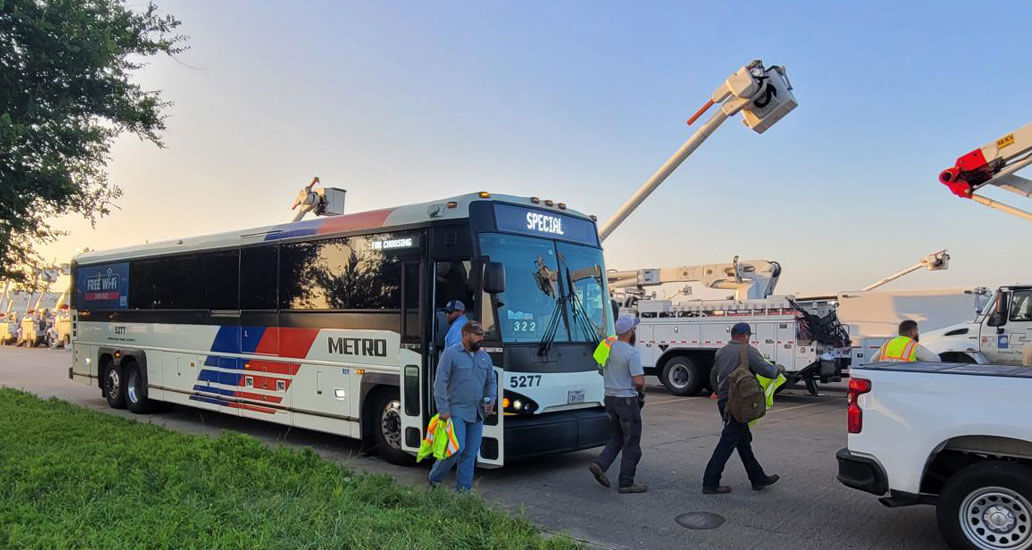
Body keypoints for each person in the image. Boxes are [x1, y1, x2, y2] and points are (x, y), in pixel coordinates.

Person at [702, 322, 781, 495]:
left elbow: (716, 375)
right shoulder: (747, 350)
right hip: (739, 403)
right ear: (745, 335)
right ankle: (710, 482)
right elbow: (768, 371)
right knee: (727, 442)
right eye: (749, 336)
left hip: (724, 401)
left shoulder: (721, 351)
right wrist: (778, 370)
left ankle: (758, 478)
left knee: (743, 441)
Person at [429, 321, 497, 492]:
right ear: (465, 334)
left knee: (471, 453)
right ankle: (435, 478)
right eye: (477, 334)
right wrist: (443, 409)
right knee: (456, 449)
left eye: (482, 334)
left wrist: (491, 398)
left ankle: (463, 492)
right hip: (455, 411)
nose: (481, 338)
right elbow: (440, 382)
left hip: (477, 412)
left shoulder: (485, 357)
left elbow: (491, 382)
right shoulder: (450, 354)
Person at [588, 315, 648, 494]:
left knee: (617, 436)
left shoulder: (607, 348)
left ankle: (600, 464)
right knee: (632, 442)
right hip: (626, 401)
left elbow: (600, 369)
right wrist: (641, 391)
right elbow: (638, 380)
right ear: (630, 332)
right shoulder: (632, 353)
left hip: (610, 399)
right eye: (633, 329)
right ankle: (626, 483)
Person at [868, 320, 938, 363]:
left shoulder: (887, 344)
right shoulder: (913, 345)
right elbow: (935, 360)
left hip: (887, 380)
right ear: (912, 332)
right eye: (917, 331)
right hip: (906, 381)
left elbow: (872, 361)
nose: (917, 333)